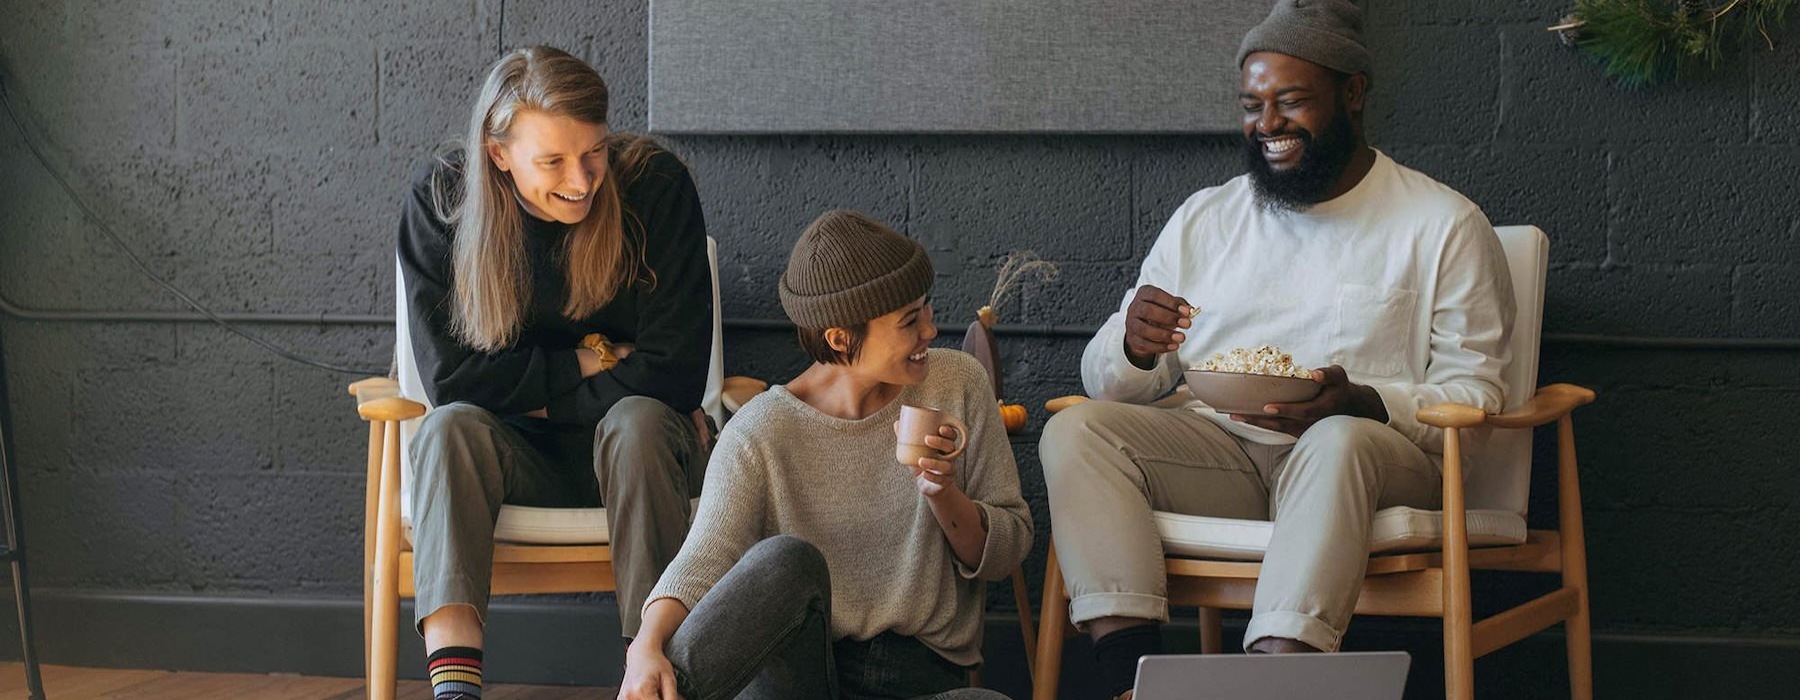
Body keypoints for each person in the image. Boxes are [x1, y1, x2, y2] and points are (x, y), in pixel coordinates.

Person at [1038, 1, 1516, 697]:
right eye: (1252, 104)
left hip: (1374, 463)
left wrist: (1365, 402)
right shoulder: (1208, 217)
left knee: (1337, 439)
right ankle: (1127, 682)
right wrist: (1136, 349)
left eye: (1291, 101)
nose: (1267, 125)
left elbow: (1477, 396)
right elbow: (1112, 382)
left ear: (1352, 94)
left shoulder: (1441, 224)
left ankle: (1274, 683)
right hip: (1222, 454)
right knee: (1077, 429)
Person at [397, 45, 714, 700]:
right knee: (447, 431)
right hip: (515, 460)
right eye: (553, 160)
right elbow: (453, 383)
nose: (582, 178)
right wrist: (592, 360)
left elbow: (677, 375)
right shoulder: (443, 203)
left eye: (593, 151)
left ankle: (648, 675)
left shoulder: (654, 187)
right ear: (497, 152)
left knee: (639, 422)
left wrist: (532, 395)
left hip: (645, 456)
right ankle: (455, 690)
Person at [619, 210, 1033, 700]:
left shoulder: (958, 382)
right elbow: (704, 560)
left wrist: (944, 494)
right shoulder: (760, 432)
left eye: (926, 308)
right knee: (783, 560)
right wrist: (644, 646)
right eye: (909, 321)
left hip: (918, 681)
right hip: (795, 680)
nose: (930, 330)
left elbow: (1006, 552)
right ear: (840, 338)